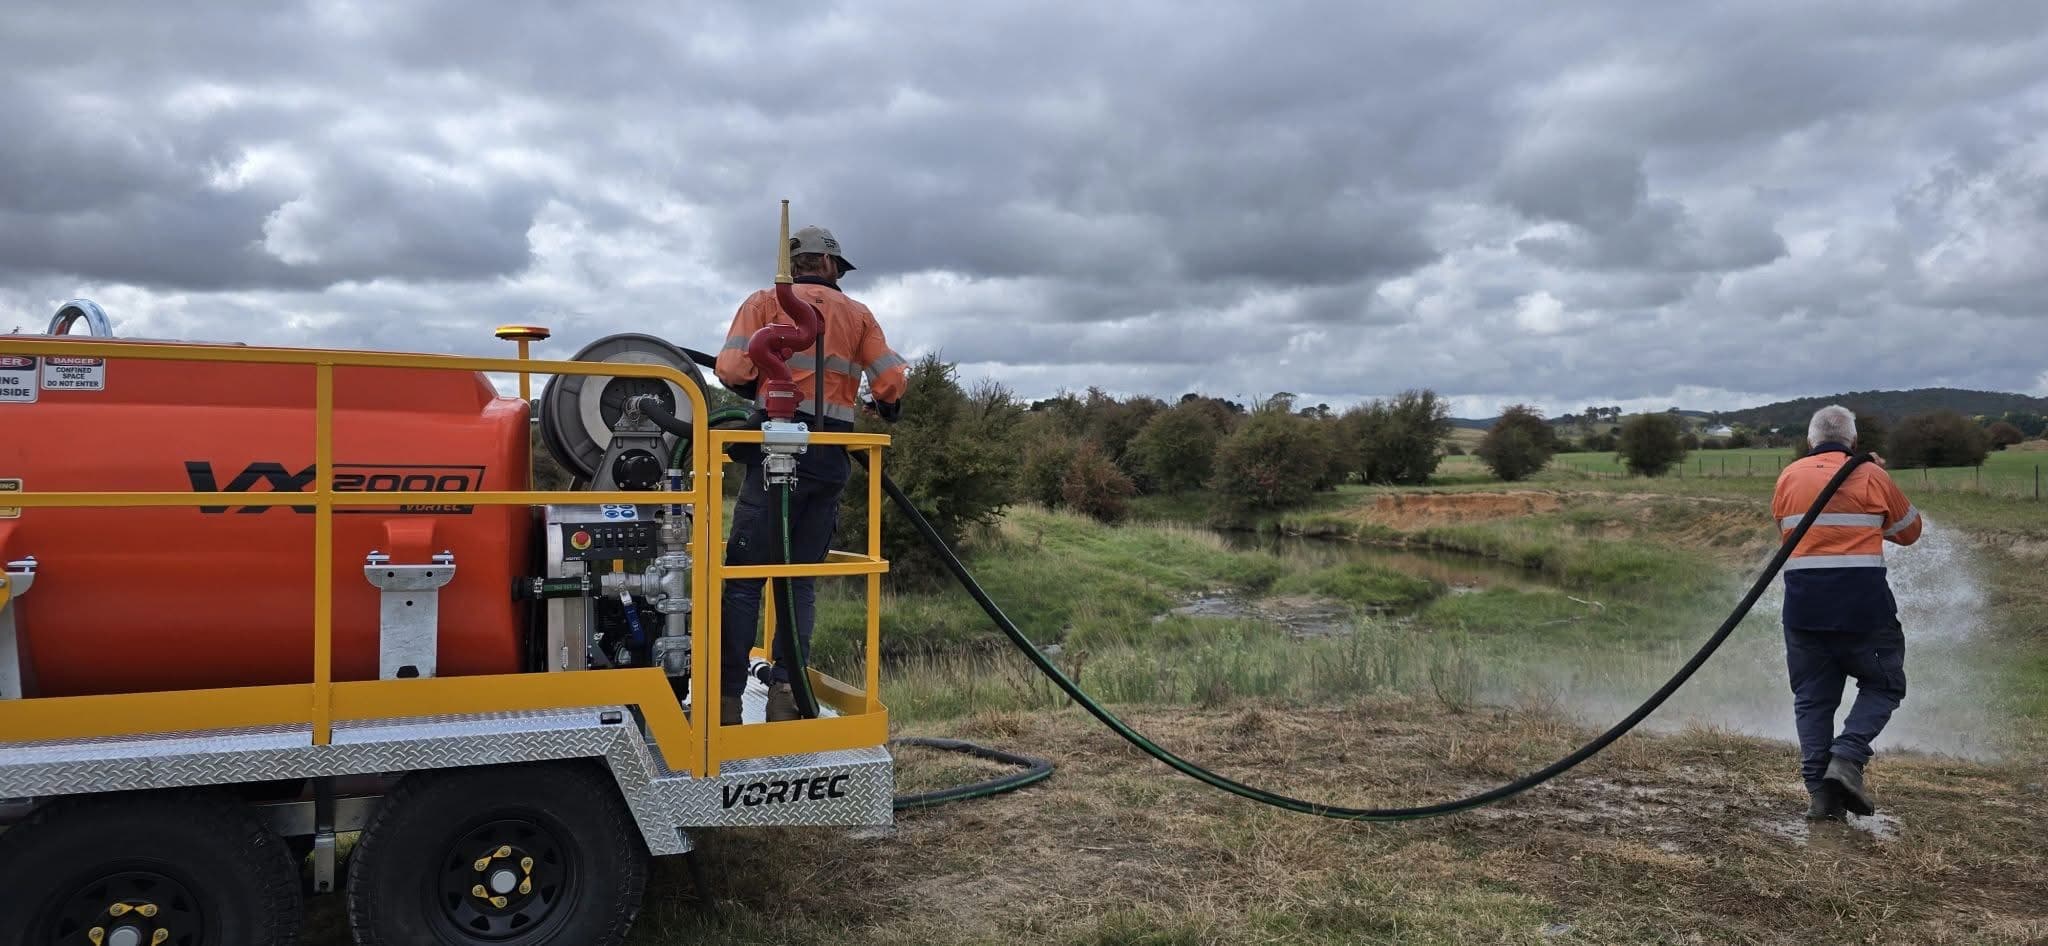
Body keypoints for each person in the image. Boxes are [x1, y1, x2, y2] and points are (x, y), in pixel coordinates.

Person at [713, 225, 907, 725]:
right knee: (799, 581)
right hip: (827, 459)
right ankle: (785, 694)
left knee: (744, 581)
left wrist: (763, 379)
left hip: (774, 452)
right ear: (827, 263)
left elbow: (731, 369)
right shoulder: (858, 314)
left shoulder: (763, 303)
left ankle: (726, 700)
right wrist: (886, 404)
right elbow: (890, 381)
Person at [1770, 405, 1921, 821]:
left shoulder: (1788, 477)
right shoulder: (1871, 475)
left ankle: (1821, 797)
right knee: (1885, 684)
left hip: (1803, 608)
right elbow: (1909, 531)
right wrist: (1875, 494)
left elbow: (1787, 531)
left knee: (1813, 699)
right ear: (1853, 441)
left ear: (1811, 440)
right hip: (1863, 608)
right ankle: (1847, 757)